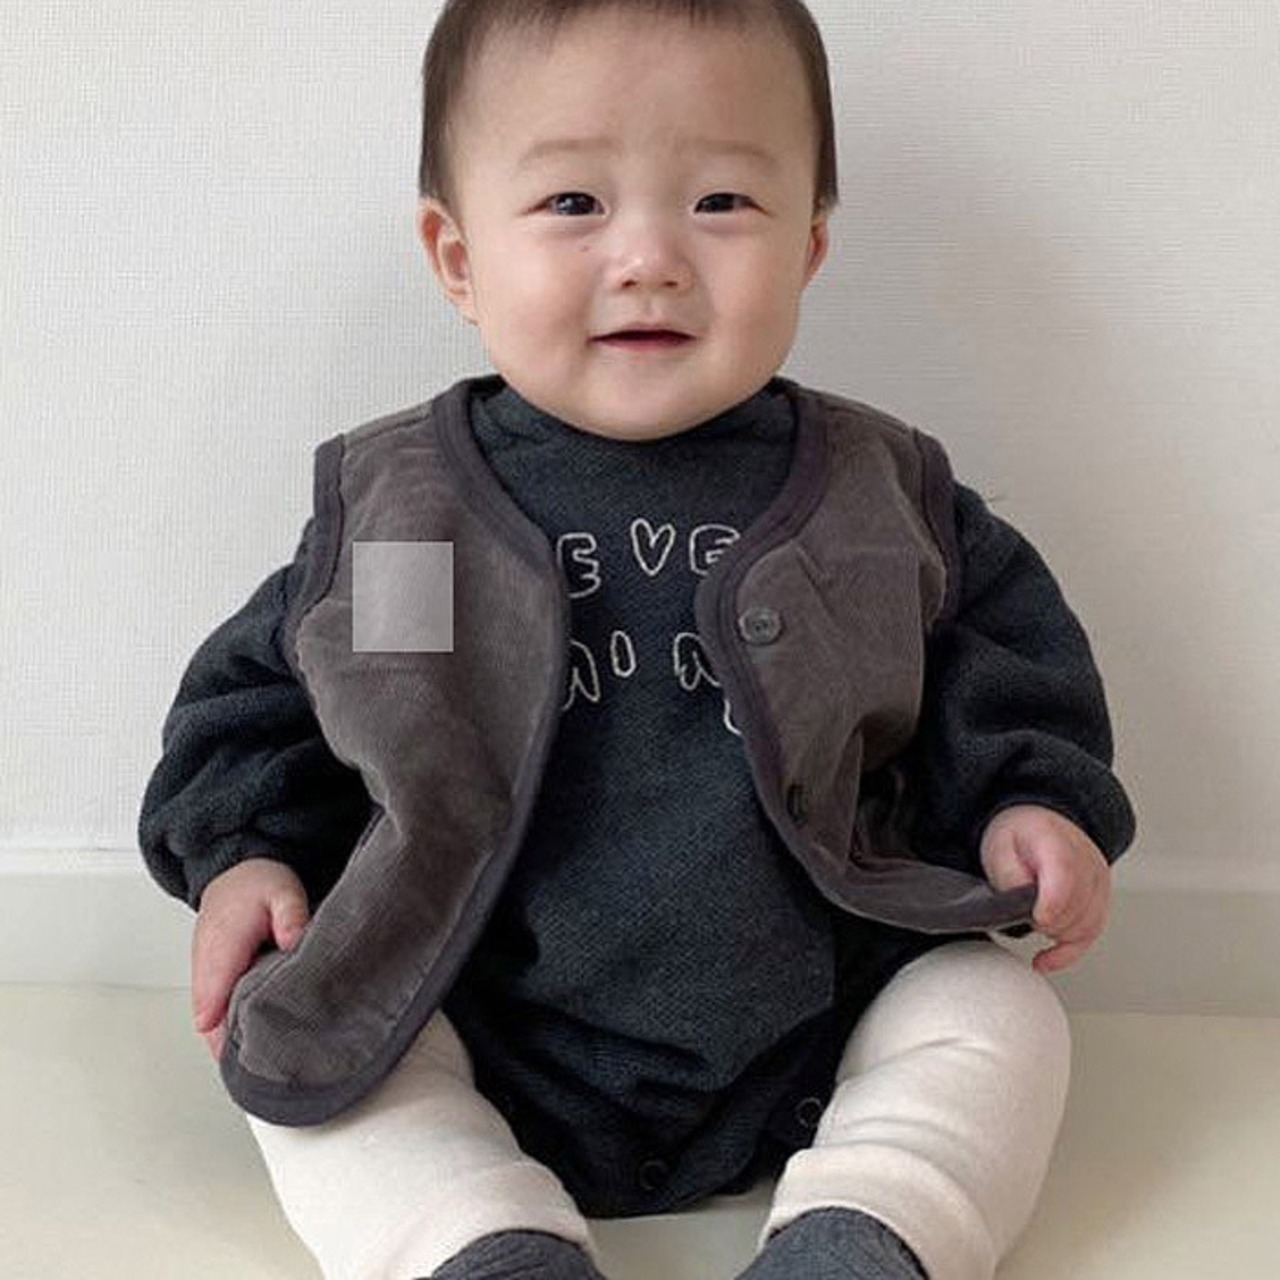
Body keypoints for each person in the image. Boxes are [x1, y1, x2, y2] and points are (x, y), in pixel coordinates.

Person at [138, 2, 1135, 1278]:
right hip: (471, 1003)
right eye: (573, 203)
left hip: (823, 1006)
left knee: (997, 1011)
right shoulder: (413, 518)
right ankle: (477, 1237)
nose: (650, 257)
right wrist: (247, 853)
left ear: (808, 246)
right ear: (457, 257)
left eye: (721, 201)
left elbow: (1005, 656)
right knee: (302, 1053)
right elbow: (287, 695)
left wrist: (1027, 799)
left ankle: (866, 1225)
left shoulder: (875, 497)